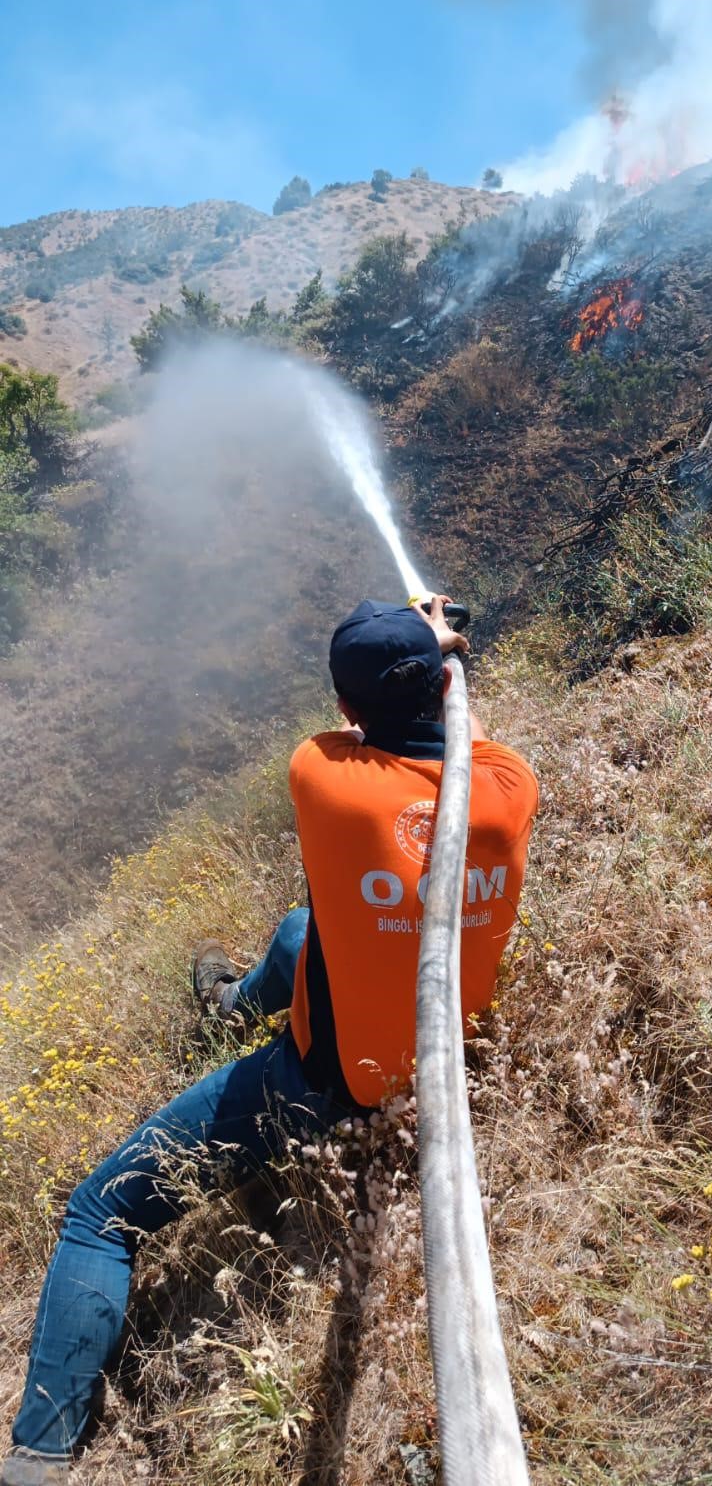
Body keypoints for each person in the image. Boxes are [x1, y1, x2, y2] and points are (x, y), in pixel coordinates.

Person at [2, 597, 538, 1486]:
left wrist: (414, 645)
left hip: (330, 1080)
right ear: (444, 684)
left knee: (100, 1213)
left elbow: (353, 730)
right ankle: (232, 1002)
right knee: (303, 929)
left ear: (351, 711)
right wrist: (438, 655)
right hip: (437, 1038)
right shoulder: (511, 787)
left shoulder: (325, 776)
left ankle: (36, 1456)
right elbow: (467, 735)